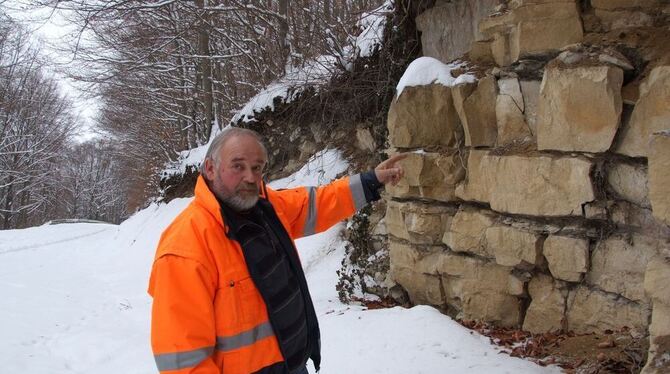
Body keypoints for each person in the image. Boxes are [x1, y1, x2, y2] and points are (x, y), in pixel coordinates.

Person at [148, 127, 406, 374]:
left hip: (292, 363)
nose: (250, 177)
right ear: (210, 168)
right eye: (238, 166)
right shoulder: (185, 247)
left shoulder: (265, 207)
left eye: (257, 168)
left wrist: (371, 181)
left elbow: (317, 203)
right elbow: (183, 360)